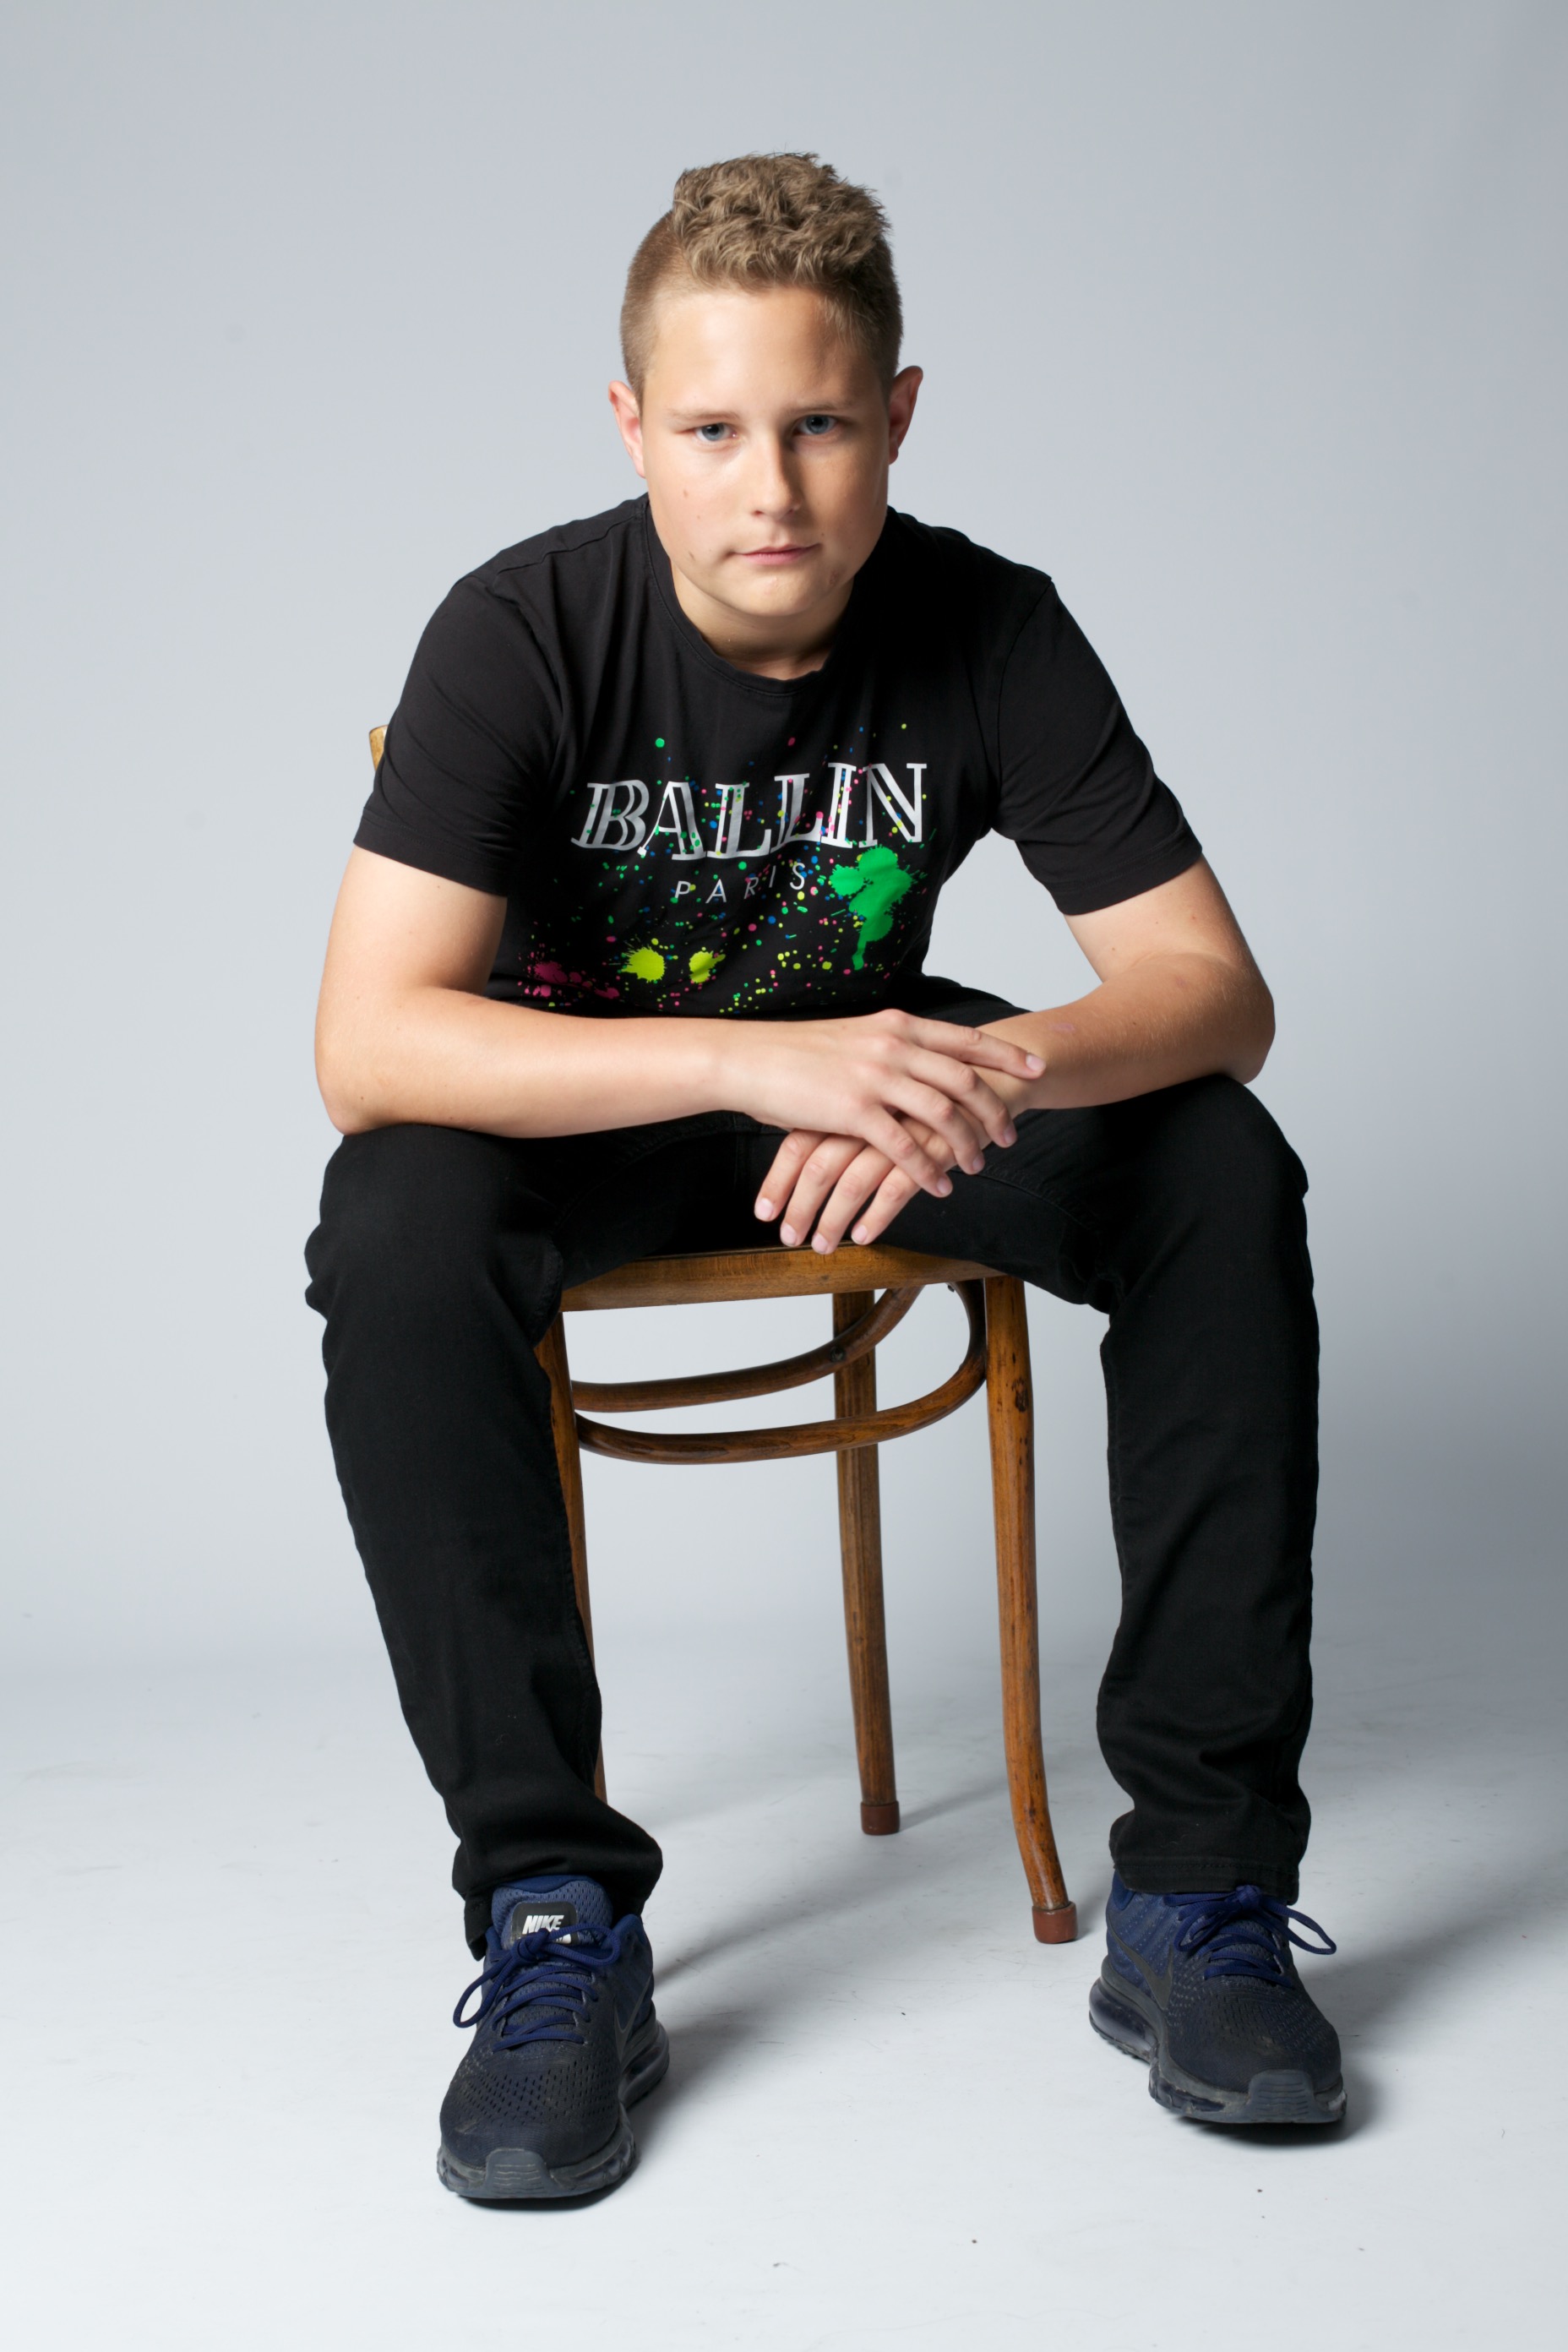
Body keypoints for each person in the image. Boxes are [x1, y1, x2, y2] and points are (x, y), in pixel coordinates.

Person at [306, 152, 1342, 2201]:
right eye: (711, 429)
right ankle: (551, 1918)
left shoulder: (990, 624)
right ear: (631, 428)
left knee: (1215, 1169)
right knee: (397, 1220)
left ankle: (1201, 1895)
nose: (767, 486)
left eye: (819, 424)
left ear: (897, 417)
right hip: (599, 1106)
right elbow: (370, 1045)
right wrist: (744, 1056)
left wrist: (969, 1075)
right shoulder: (519, 628)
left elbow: (1214, 991)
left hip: (874, 1102)